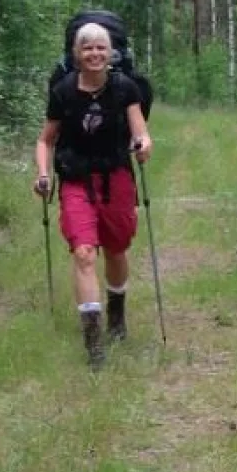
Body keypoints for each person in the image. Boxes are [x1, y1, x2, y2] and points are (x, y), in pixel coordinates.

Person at [34, 22, 153, 368]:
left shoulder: (125, 88)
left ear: (111, 52)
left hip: (115, 177)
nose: (94, 54)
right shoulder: (63, 92)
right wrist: (42, 173)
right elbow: (46, 139)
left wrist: (143, 145)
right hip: (75, 180)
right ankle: (94, 342)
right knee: (84, 253)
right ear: (76, 54)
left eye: (101, 47)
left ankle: (117, 314)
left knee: (116, 250)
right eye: (87, 48)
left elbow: (141, 132)